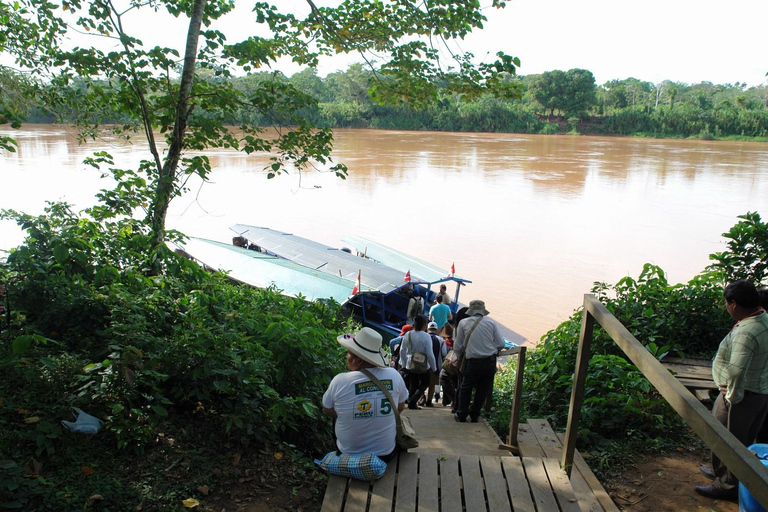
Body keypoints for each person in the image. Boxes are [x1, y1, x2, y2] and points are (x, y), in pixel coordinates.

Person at [695, 280, 768, 500]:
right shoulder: (763, 319)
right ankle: (725, 474)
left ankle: (726, 485)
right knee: (743, 439)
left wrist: (732, 397)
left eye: (727, 303)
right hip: (760, 393)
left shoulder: (747, 332)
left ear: (734, 304)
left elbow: (736, 371)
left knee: (724, 438)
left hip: (741, 396)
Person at [322, 327, 409, 461]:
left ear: (360, 360)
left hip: (347, 455)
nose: (346, 356)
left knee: (338, 414)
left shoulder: (340, 380)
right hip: (385, 455)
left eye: (349, 353)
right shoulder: (394, 375)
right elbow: (400, 407)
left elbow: (327, 410)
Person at [452, 299, 505, 423]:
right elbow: (500, 343)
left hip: (473, 362)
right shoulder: (491, 323)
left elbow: (458, 346)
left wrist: (459, 357)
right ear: (483, 311)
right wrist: (494, 351)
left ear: (471, 310)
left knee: (466, 387)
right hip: (490, 361)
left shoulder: (464, 323)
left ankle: (462, 414)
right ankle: (475, 414)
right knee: (483, 388)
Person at [398, 314, 437, 410]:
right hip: (424, 365)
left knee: (413, 384)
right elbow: (429, 353)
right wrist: (434, 367)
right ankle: (413, 400)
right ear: (424, 325)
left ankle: (411, 401)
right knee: (425, 383)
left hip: (410, 363)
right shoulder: (426, 336)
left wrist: (404, 364)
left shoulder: (408, 334)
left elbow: (402, 350)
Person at [425, 321, 447, 406]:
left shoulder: (424, 337)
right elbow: (444, 353)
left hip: (423, 365)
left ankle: (420, 399)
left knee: (422, 383)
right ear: (436, 330)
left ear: (427, 329)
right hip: (436, 366)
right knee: (432, 384)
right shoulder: (441, 340)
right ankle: (429, 401)